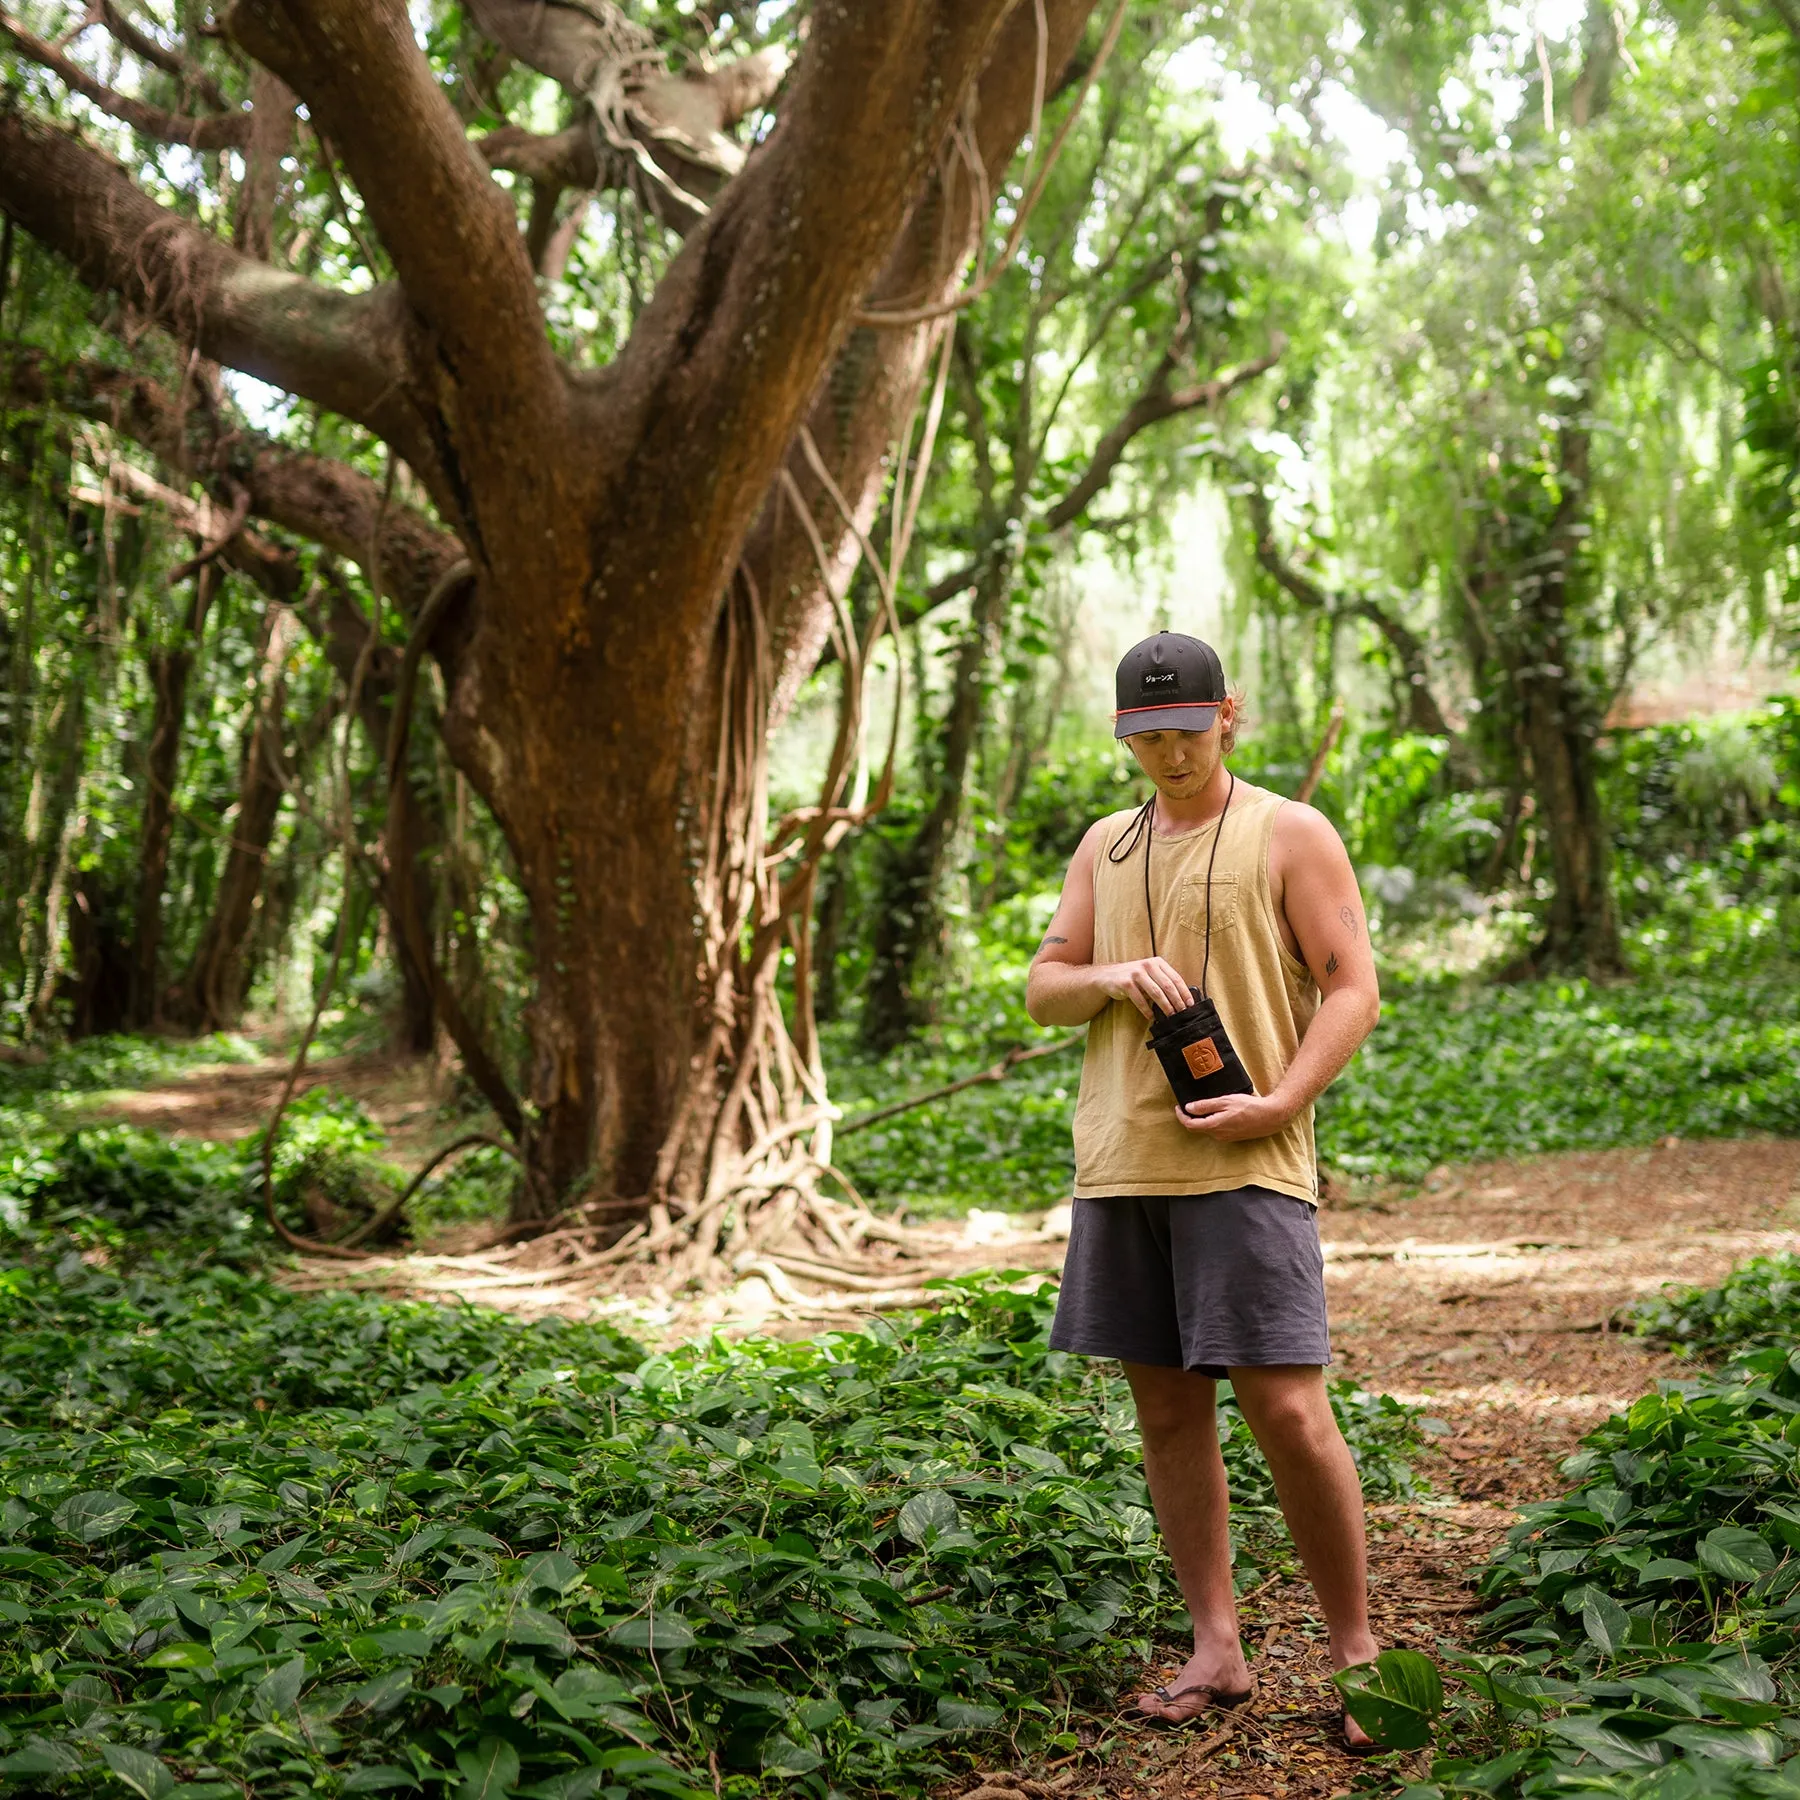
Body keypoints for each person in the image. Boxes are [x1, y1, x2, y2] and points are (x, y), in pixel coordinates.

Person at [1025, 630, 1382, 1745]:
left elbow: (1353, 988)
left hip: (1248, 1160)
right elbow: (1044, 988)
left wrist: (1281, 1105)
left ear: (1229, 715)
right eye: (1147, 738)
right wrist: (1104, 975)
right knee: (1169, 1415)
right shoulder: (1105, 845)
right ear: (1124, 735)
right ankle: (1216, 1648)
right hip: (1125, 1162)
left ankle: (1358, 1654)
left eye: (1187, 732)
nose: (1170, 757)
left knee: (1286, 1408)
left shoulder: (1290, 832)